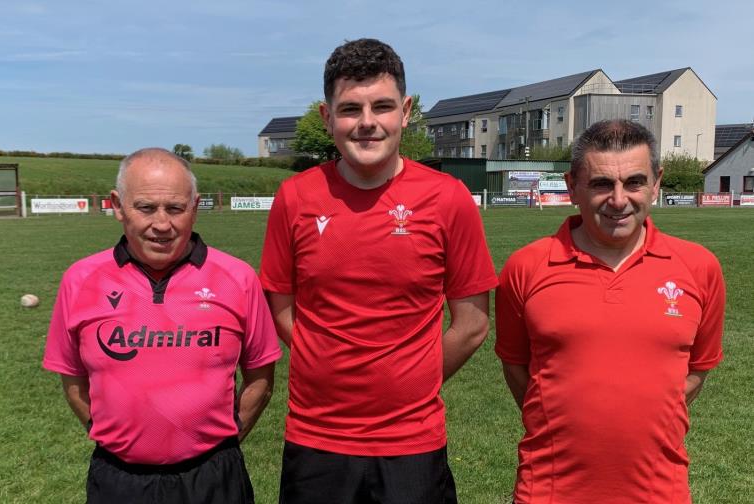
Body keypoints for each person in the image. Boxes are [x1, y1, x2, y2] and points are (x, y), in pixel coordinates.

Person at [260, 38, 498, 504]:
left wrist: (410, 378)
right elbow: (280, 307)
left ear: (405, 112)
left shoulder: (448, 198)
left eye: (382, 106)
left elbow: (472, 324)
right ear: (328, 118)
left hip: (413, 442)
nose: (367, 123)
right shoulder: (295, 197)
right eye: (350, 109)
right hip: (316, 440)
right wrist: (328, 361)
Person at [495, 120, 725, 503]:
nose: (619, 200)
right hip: (548, 492)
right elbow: (518, 370)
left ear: (656, 183)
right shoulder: (526, 267)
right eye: (602, 184)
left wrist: (648, 412)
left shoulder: (699, 267)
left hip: (659, 493)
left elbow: (698, 369)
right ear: (573, 187)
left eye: (634, 182)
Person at [43, 148, 282, 504]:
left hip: (215, 478)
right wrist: (114, 437)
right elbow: (72, 379)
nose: (162, 224)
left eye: (175, 208)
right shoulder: (80, 280)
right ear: (118, 206)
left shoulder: (238, 278)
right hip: (119, 480)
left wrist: (221, 444)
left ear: (195, 207)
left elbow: (261, 380)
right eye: (145, 208)